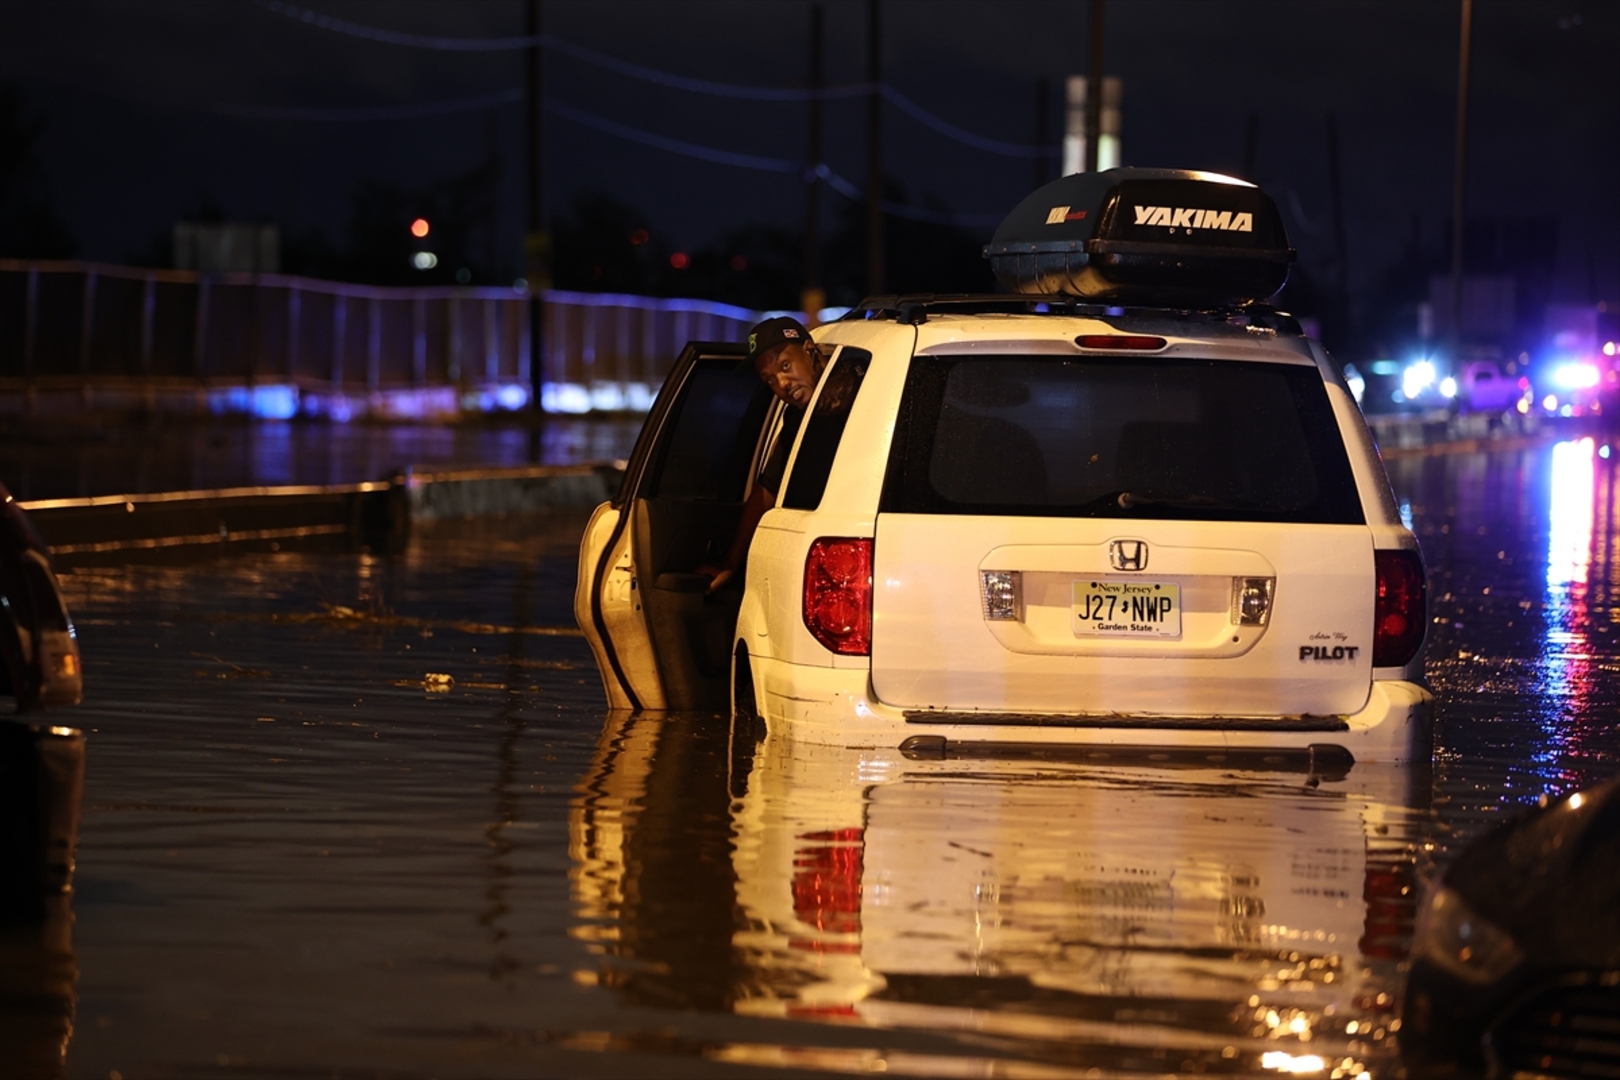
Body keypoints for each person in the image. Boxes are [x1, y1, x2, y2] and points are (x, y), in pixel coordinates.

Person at [700, 315, 850, 593]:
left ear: (809, 350)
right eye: (769, 379)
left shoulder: (855, 397)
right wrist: (731, 562)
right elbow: (768, 489)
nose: (781, 383)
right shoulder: (796, 418)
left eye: (785, 366)